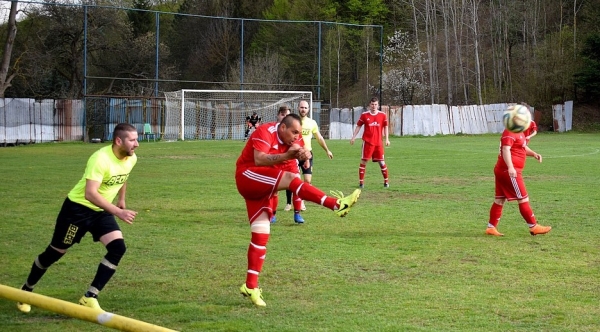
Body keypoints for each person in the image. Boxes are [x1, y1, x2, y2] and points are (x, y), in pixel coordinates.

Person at [236, 113, 361, 307]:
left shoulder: (294, 141)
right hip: (247, 175)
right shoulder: (265, 131)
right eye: (294, 132)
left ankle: (250, 286)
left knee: (261, 235)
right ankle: (336, 204)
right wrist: (289, 155)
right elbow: (259, 159)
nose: (297, 136)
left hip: (262, 188)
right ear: (282, 127)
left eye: (299, 133)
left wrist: (305, 155)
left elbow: (295, 172)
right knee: (287, 180)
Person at [16, 123, 139, 313]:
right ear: (118, 141)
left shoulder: (131, 158)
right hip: (77, 212)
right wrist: (117, 211)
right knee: (55, 253)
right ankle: (25, 291)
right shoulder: (100, 159)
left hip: (101, 211)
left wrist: (121, 199)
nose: (137, 144)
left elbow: (123, 177)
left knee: (117, 248)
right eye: (132, 140)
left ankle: (90, 297)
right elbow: (90, 194)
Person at [485, 124, 551, 236]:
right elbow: (506, 149)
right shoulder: (510, 132)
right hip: (509, 171)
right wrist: (510, 167)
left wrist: (534, 154)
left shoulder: (519, 132)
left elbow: (522, 147)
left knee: (499, 200)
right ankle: (533, 226)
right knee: (523, 198)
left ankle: (491, 228)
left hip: (504, 170)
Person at [292, 100, 334, 223]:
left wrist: (327, 150)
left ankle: (302, 200)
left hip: (308, 154)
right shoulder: (293, 121)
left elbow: (319, 137)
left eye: (305, 107)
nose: (303, 109)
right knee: (295, 180)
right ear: (298, 108)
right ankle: (296, 204)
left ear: (308, 109)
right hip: (294, 154)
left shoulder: (312, 123)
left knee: (308, 180)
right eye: (301, 107)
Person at [350, 97, 390, 188]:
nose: (374, 106)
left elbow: (386, 127)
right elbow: (358, 126)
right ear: (369, 105)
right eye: (372, 104)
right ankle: (361, 183)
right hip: (368, 142)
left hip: (378, 143)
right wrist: (353, 137)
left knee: (382, 162)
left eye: (375, 104)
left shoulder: (382, 115)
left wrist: (387, 139)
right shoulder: (364, 115)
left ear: (378, 105)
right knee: (363, 161)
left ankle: (386, 182)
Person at [269, 105, 292, 223]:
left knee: (294, 183)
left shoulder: (291, 131)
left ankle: (295, 210)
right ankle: (272, 214)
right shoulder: (271, 130)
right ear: (278, 115)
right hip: (273, 163)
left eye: (287, 115)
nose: (284, 117)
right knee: (274, 190)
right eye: (282, 114)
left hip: (288, 163)